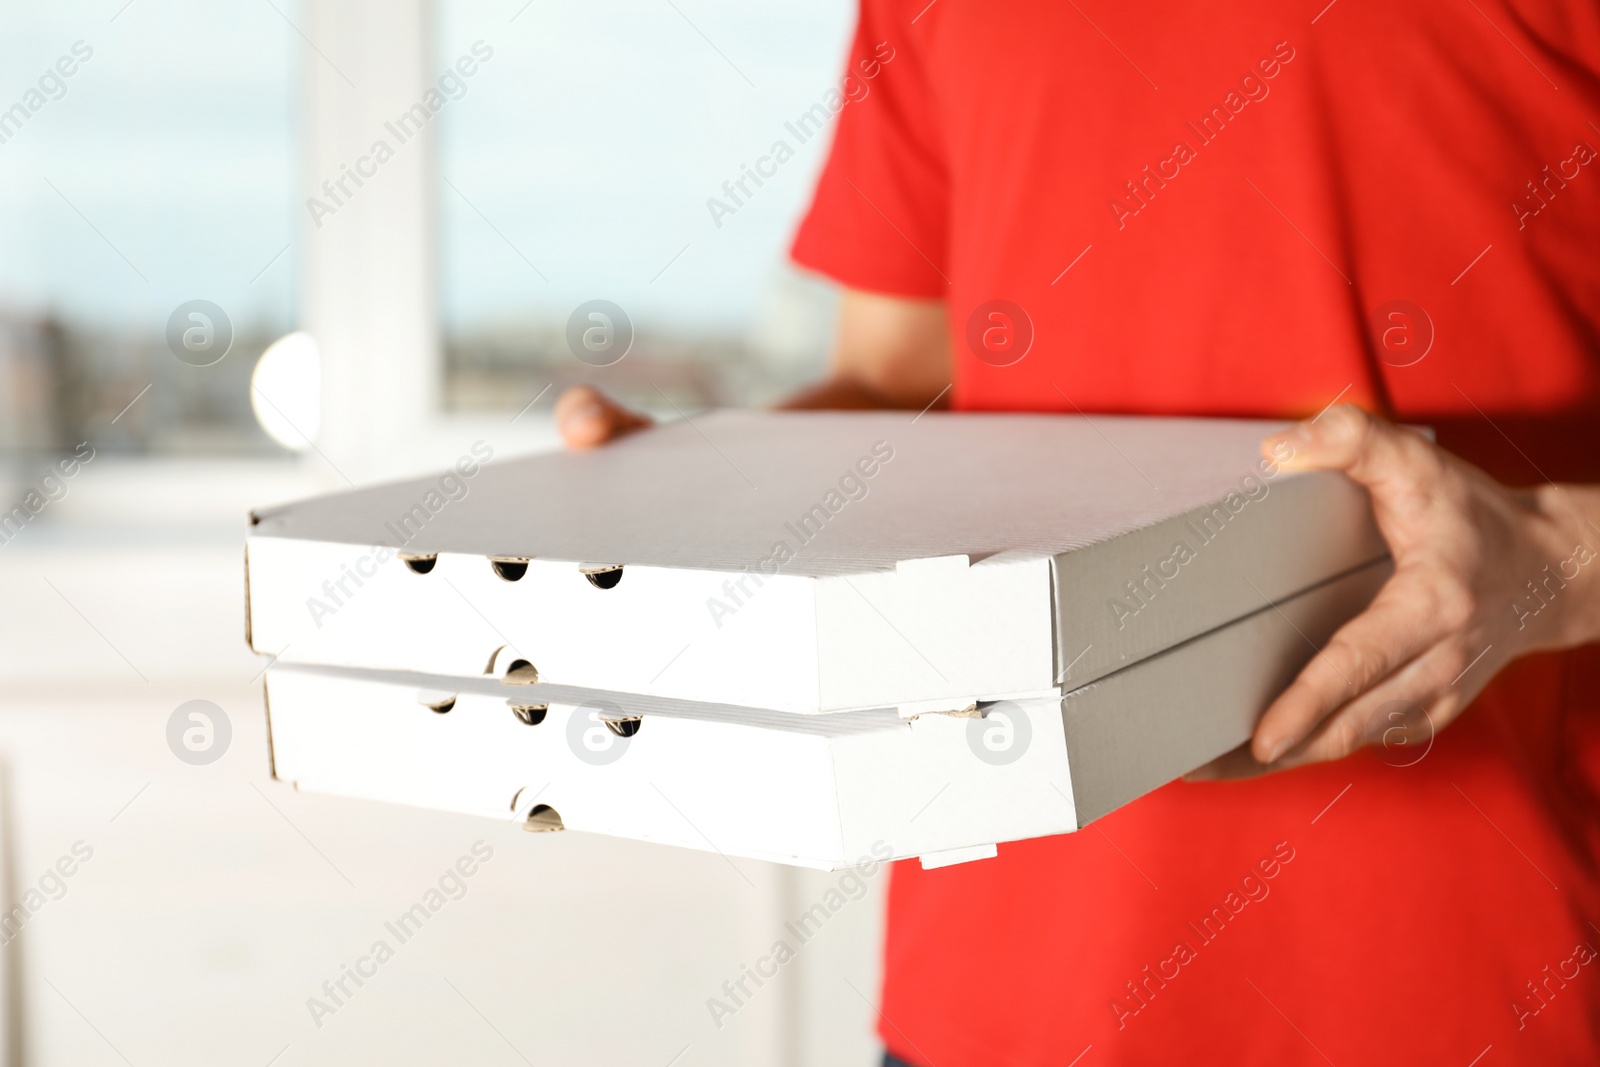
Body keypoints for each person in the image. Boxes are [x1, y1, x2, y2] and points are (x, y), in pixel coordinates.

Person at [557, 0, 1600, 1061]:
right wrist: (704, 482)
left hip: (1470, 983)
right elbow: (893, 380)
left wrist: (1546, 559)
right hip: (996, 986)